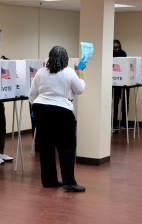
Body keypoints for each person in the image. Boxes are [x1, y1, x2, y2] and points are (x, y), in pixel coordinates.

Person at [29, 46, 86, 192]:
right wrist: (80, 74)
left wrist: (36, 108)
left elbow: (32, 94)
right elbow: (79, 90)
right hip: (62, 110)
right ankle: (69, 183)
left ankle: (49, 181)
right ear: (66, 59)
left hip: (40, 108)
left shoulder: (41, 71)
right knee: (66, 147)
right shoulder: (68, 72)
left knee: (46, 146)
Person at [113, 39, 133, 131]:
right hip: (115, 84)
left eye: (119, 47)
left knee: (125, 103)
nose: (117, 49)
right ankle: (115, 123)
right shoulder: (110, 54)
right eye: (115, 48)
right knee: (115, 104)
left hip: (124, 83)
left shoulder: (124, 53)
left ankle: (124, 123)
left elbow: (126, 66)